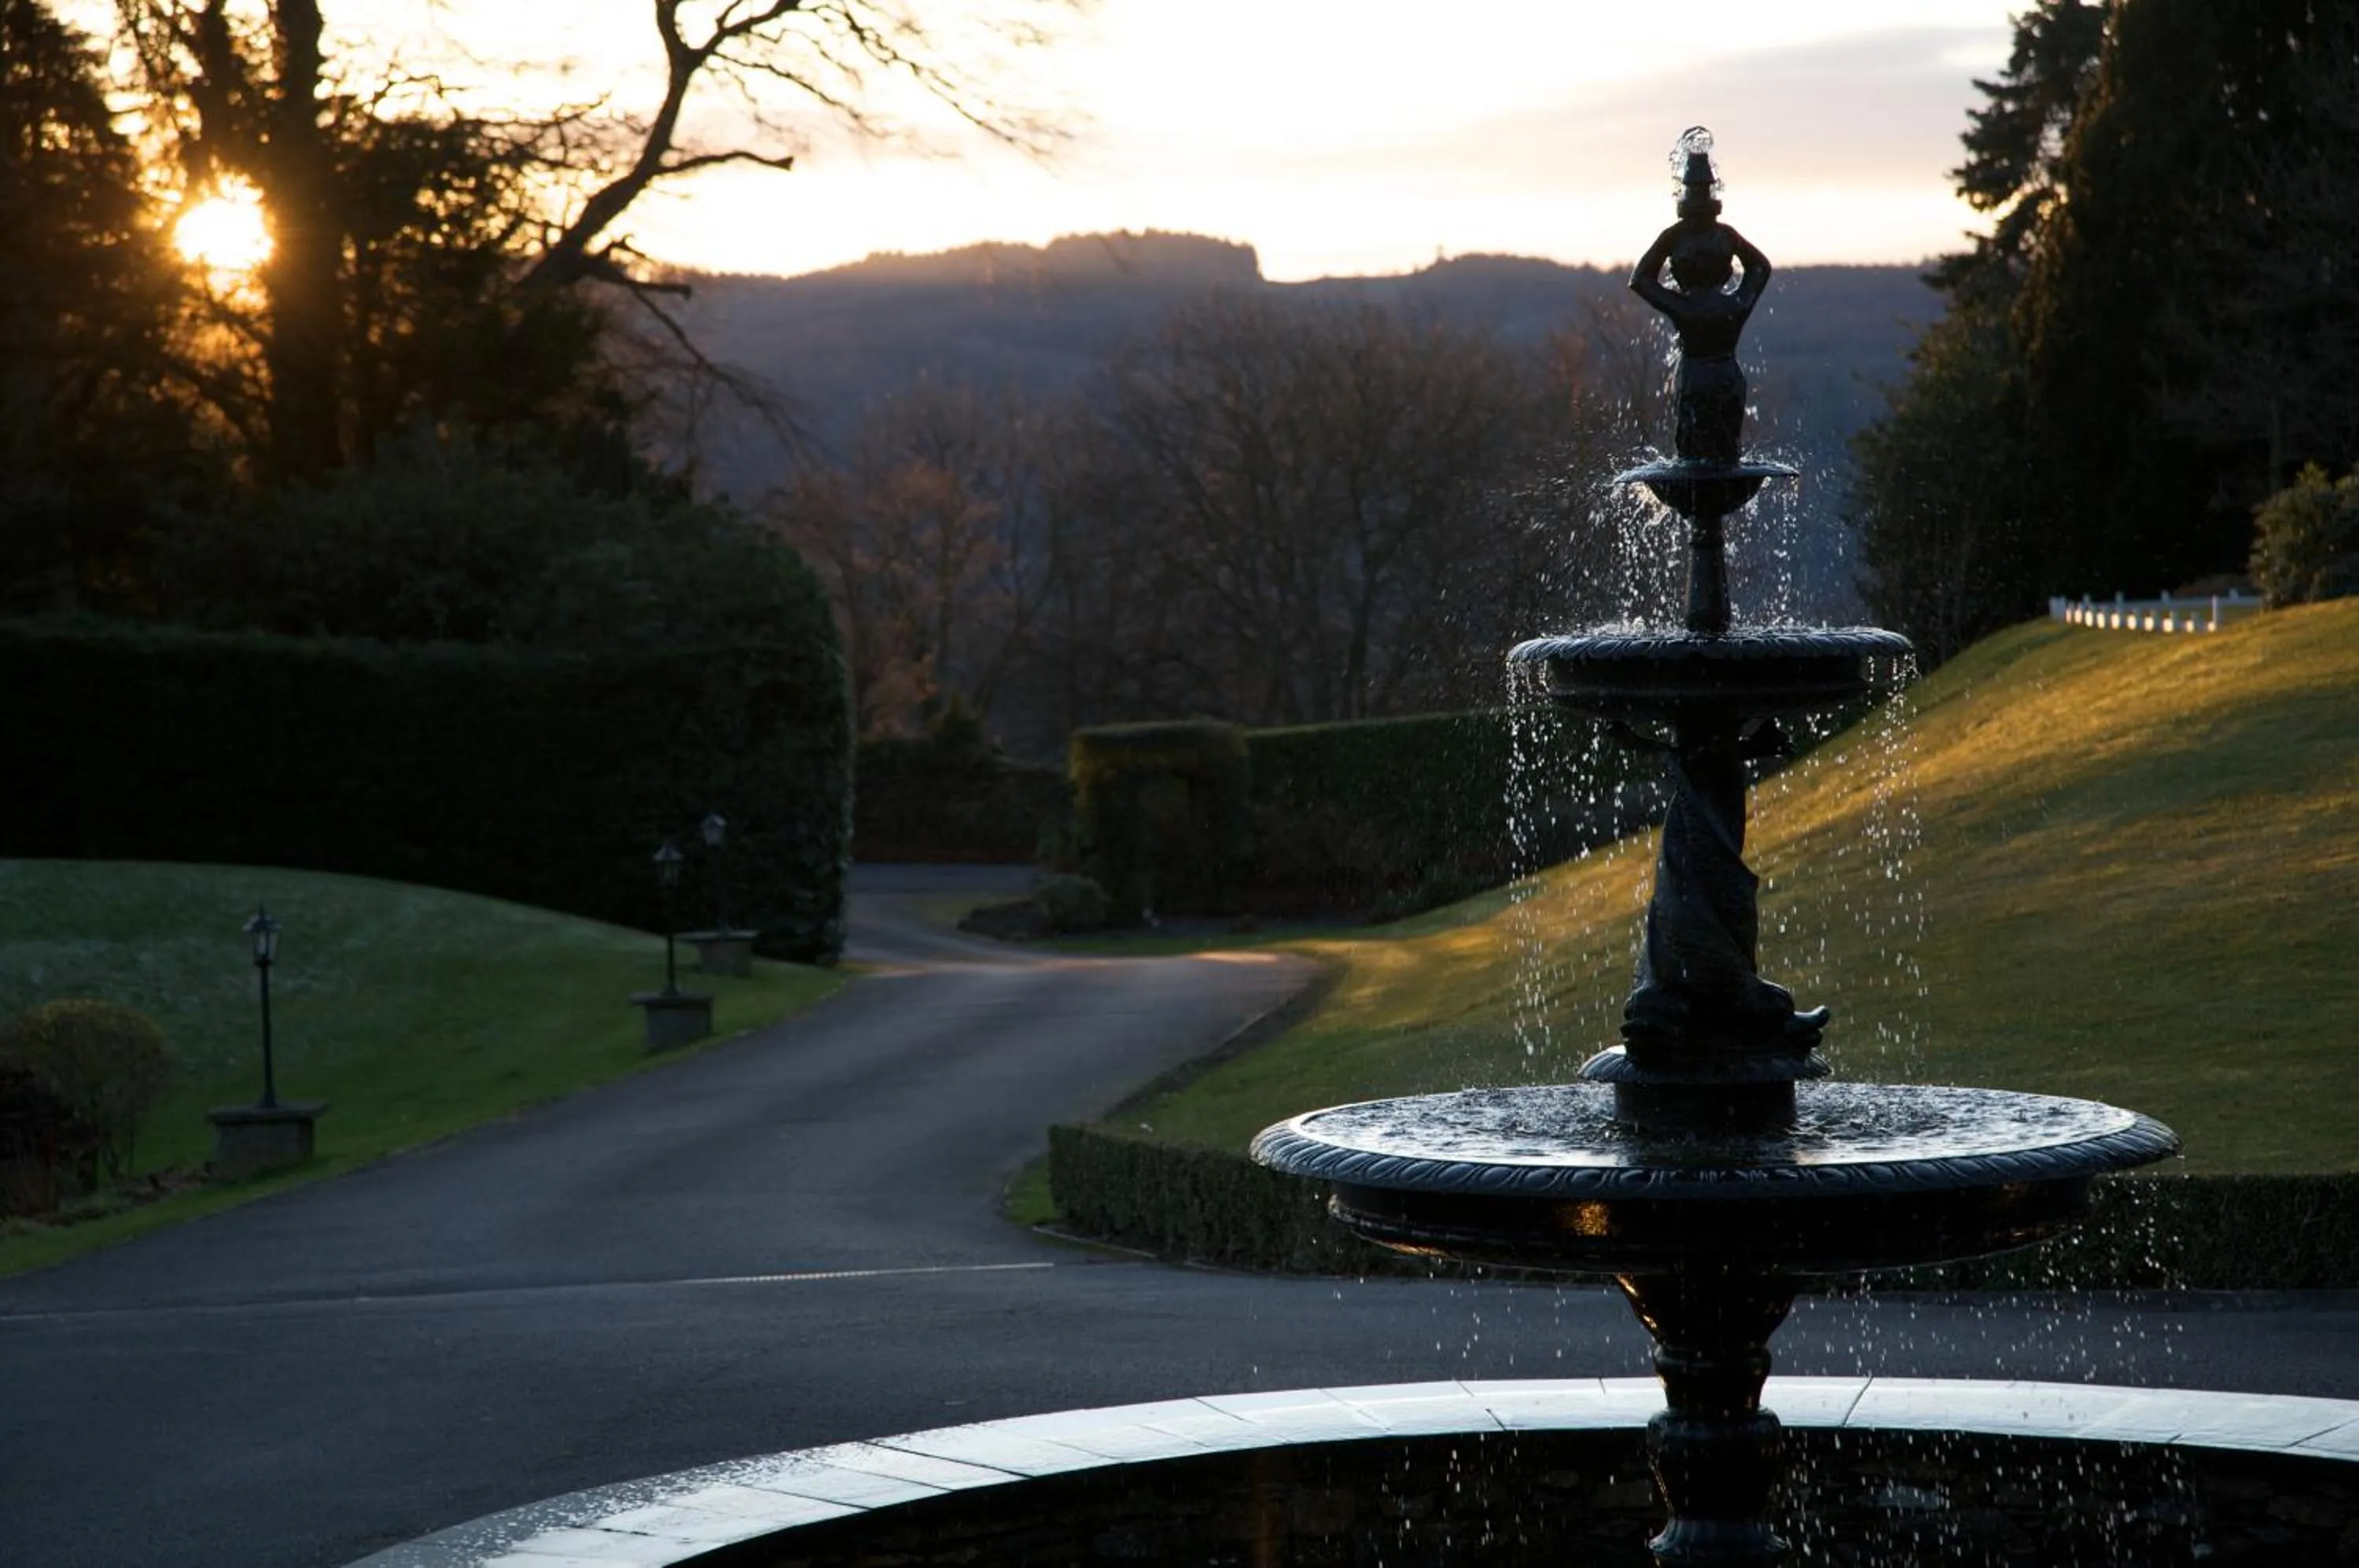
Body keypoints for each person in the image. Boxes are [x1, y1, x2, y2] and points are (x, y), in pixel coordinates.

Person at [1628, 212, 1772, 466]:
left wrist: (1669, 237)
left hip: (1694, 383)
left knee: (1692, 462)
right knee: (1726, 459)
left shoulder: (1683, 309)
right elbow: (1760, 267)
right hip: (1728, 381)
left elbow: (1640, 279)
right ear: (1727, 271)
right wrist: (1732, 238)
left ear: (1680, 273)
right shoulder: (1736, 306)